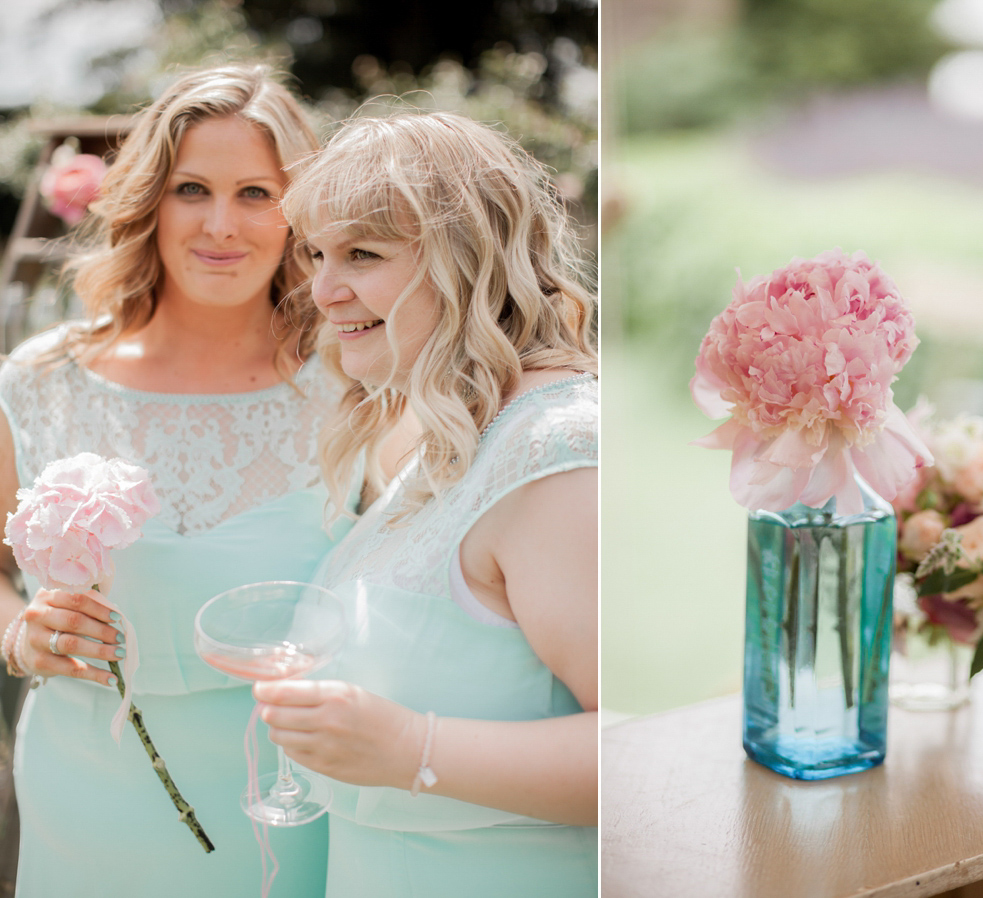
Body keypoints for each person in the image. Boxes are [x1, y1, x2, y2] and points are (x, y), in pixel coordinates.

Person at [0, 65, 350, 895]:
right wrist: (17, 636)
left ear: (300, 210)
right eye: (192, 188)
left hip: (296, 804)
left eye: (257, 193)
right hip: (83, 801)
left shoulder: (357, 387)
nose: (221, 225)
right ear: (148, 201)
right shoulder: (35, 382)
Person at [254, 111, 598, 896]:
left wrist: (412, 746)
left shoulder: (559, 452)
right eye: (317, 255)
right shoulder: (449, 431)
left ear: (467, 258)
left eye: (362, 255)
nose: (324, 290)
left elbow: (637, 750)